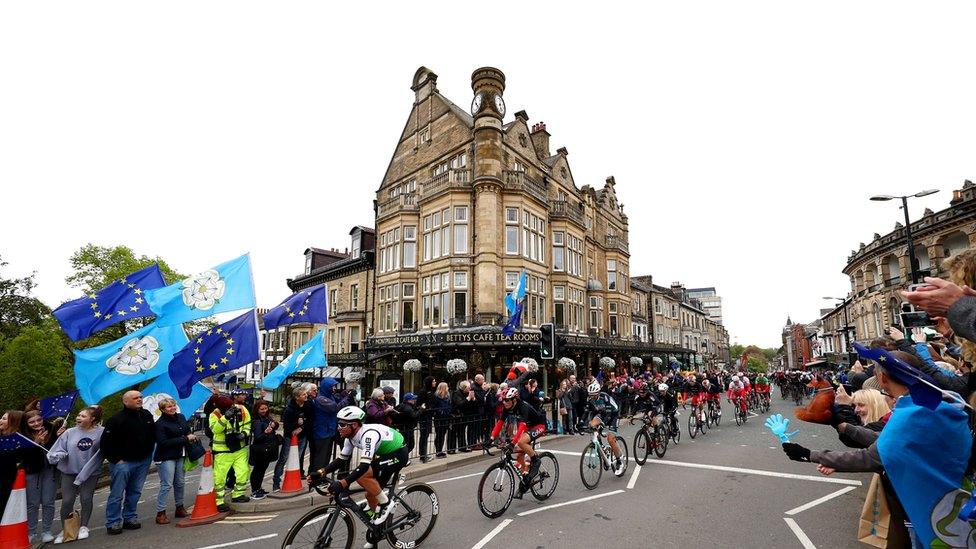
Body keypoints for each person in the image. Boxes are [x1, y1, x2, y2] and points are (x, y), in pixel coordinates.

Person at [781, 345, 974, 547]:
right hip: (959, 495)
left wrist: (808, 454)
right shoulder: (938, 402)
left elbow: (872, 457)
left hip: (937, 507)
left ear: (882, 378)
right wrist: (844, 426)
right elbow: (884, 438)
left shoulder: (912, 413)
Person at [309, 406, 408, 530]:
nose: (338, 428)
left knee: (363, 477)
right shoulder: (349, 438)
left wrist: (343, 483)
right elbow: (341, 459)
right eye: (338, 424)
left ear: (354, 425)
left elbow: (364, 466)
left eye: (342, 424)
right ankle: (377, 531)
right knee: (371, 495)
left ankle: (387, 504)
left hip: (398, 453)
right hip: (383, 454)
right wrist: (321, 472)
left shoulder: (368, 435)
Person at [100, 390, 156, 535]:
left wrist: (149, 453)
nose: (139, 399)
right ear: (126, 401)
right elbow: (105, 443)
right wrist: (116, 460)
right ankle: (113, 521)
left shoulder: (147, 415)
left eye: (140, 397)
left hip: (143, 461)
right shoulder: (116, 419)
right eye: (135, 398)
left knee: (135, 491)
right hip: (123, 463)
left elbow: (152, 435)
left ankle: (130, 517)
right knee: (117, 493)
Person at [47, 406, 103, 543]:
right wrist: (58, 455)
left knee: (86, 498)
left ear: (93, 419)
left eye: (83, 416)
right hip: (69, 472)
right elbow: (55, 451)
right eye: (78, 415)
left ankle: (84, 526)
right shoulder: (69, 433)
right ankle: (66, 528)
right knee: (67, 501)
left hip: (90, 472)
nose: (78, 418)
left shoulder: (101, 432)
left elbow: (102, 452)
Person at [489, 388, 546, 495]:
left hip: (539, 425)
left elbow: (521, 427)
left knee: (521, 442)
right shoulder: (507, 408)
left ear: (514, 399)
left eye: (507, 400)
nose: (505, 402)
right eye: (503, 400)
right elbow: (500, 423)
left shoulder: (523, 406)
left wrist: (512, 444)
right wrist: (491, 439)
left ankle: (536, 460)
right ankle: (526, 481)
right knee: (519, 457)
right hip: (527, 427)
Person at [153, 397, 195, 524]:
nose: (172, 408)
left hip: (180, 454)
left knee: (180, 482)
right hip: (166, 457)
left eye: (173, 405)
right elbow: (163, 442)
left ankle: (180, 507)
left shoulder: (181, 417)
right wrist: (185, 439)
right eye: (168, 407)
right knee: (166, 484)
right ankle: (161, 513)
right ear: (162, 410)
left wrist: (188, 436)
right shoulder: (159, 424)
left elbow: (187, 430)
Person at [209, 395, 252, 510]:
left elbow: (248, 424)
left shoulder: (242, 410)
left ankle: (238, 495)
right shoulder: (215, 414)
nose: (230, 409)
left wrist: (244, 434)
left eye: (231, 407)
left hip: (239, 447)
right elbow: (215, 430)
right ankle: (218, 501)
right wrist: (225, 418)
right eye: (226, 409)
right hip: (223, 451)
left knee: (243, 472)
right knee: (220, 477)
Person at [23, 410, 57, 543]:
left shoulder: (51, 430)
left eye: (39, 420)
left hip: (50, 471)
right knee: (32, 504)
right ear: (26, 424)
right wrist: (36, 443)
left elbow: (57, 448)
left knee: (48, 502)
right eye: (32, 422)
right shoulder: (23, 435)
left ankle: (47, 531)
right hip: (32, 473)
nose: (36, 423)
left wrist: (56, 437)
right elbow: (24, 458)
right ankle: (31, 532)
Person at [583, 381, 624, 475]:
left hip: (613, 415)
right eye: (590, 395)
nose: (592, 397)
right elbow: (586, 412)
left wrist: (603, 424)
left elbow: (609, 414)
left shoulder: (604, 397)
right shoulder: (589, 399)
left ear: (598, 393)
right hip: (603, 414)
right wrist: (581, 423)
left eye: (594, 395)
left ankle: (619, 460)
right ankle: (601, 446)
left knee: (610, 439)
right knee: (592, 425)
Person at [310, 378, 350, 472]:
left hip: (329, 430)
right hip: (322, 432)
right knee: (321, 458)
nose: (335, 388)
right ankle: (316, 478)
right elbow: (335, 408)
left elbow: (339, 402)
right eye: (333, 386)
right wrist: (347, 398)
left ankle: (322, 475)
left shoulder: (330, 396)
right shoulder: (321, 399)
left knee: (327, 457)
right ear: (327, 387)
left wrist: (343, 396)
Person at [274, 385, 309, 491]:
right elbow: (286, 425)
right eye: (303, 394)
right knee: (283, 459)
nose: (306, 395)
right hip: (290, 437)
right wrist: (296, 424)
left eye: (305, 393)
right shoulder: (289, 409)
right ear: (297, 397)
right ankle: (276, 482)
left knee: (296, 459)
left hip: (302, 437)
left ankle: (294, 481)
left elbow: (310, 420)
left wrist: (301, 427)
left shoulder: (308, 406)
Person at [248, 400, 279, 500]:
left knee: (262, 470)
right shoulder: (257, 421)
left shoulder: (267, 418)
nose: (264, 410)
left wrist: (274, 425)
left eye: (266, 408)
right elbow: (258, 437)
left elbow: (273, 427)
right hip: (260, 449)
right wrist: (266, 432)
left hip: (267, 449)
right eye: (262, 409)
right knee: (258, 470)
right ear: (257, 410)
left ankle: (259, 488)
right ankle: (255, 490)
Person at [0, 410, 26, 514]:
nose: (0, 420)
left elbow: (20, 463)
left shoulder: (20, 442)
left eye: (4, 419)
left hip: (8, 481)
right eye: (2, 418)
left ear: (13, 422)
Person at [417, 376, 437, 462]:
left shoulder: (431, 391)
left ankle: (424, 453)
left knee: (426, 435)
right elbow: (419, 404)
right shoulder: (423, 392)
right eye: (433, 381)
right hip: (424, 416)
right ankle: (423, 455)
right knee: (424, 436)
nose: (435, 383)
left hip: (429, 416)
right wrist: (424, 408)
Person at [431, 383, 452, 458]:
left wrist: (449, 412)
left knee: (443, 435)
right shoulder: (436, 396)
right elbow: (434, 407)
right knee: (439, 435)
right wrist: (440, 411)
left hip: (446, 417)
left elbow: (450, 405)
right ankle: (438, 451)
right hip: (439, 418)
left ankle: (440, 450)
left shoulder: (447, 396)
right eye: (447, 387)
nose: (448, 388)